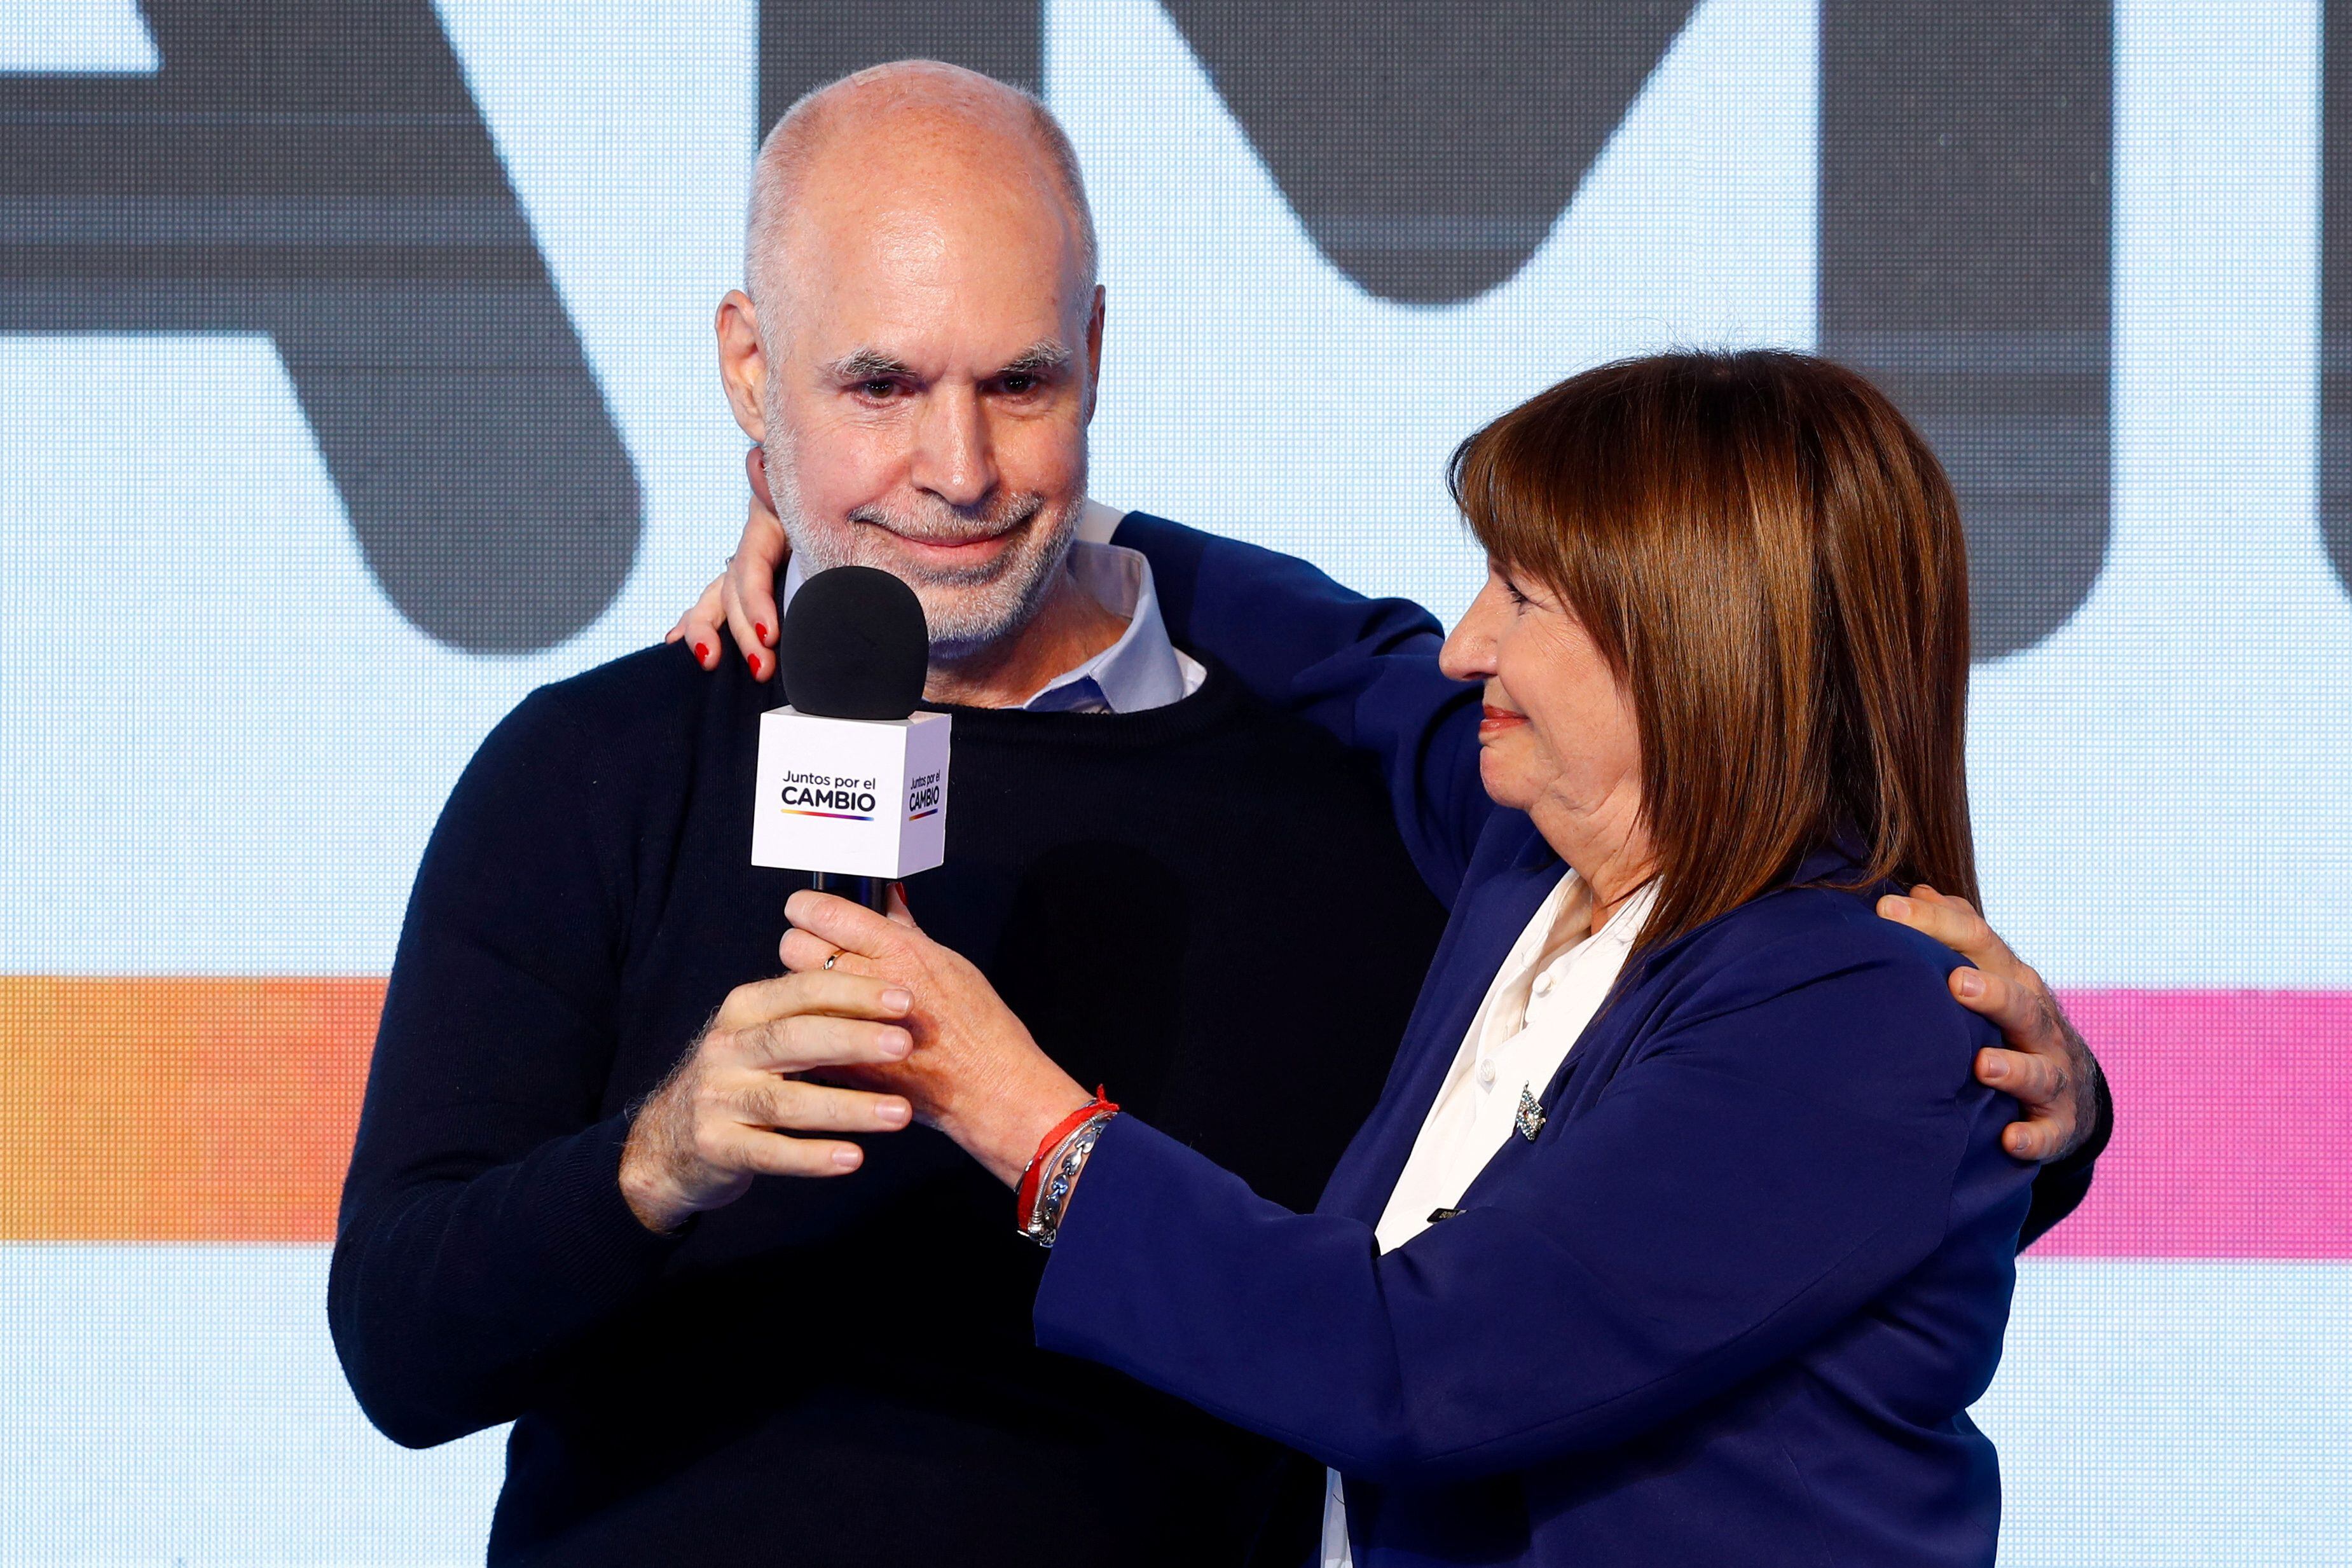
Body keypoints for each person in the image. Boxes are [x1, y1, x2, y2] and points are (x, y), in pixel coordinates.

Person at [334, 58, 2101, 1568]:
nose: (955, 468)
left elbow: (1631, 1244)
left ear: (1092, 358)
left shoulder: (1404, 810)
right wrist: (654, 1160)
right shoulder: (599, 764)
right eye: (875, 388)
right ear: (751, 373)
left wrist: (2023, 1108)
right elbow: (402, 1342)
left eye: (1018, 388)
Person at [763, 350, 2060, 1567]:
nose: (1466, 645)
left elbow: (1416, 1364)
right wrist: (939, 545)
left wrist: (1019, 1114)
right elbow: (1344, 651)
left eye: (1522, 597)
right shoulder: (1526, 845)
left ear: (1689, 648)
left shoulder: (1847, 1016)